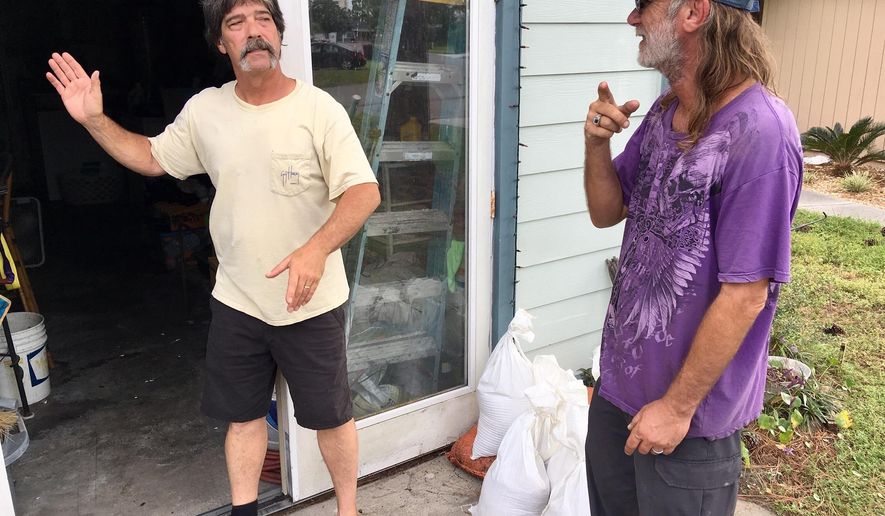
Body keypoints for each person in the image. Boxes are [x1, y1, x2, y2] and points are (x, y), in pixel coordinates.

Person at [45, 1, 380, 515]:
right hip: (238, 301)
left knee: (331, 418)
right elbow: (153, 158)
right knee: (242, 418)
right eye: (236, 23)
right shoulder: (207, 110)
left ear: (280, 33)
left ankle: (348, 509)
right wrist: (94, 121)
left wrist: (316, 249)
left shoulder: (319, 110)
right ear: (222, 44)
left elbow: (362, 192)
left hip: (310, 301)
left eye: (263, 19)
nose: (253, 32)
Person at [582, 0, 802, 514]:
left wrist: (677, 408)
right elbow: (607, 210)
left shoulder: (762, 132)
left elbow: (747, 294)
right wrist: (595, 145)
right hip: (618, 398)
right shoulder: (665, 112)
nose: (633, 19)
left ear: (694, 12)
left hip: (687, 426)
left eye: (643, 6)